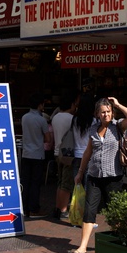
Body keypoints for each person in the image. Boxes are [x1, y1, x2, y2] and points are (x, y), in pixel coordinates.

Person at [68, 96, 127, 253]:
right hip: (94, 176)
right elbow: (87, 152)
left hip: (113, 177)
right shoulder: (93, 129)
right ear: (97, 114)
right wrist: (80, 172)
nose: (106, 115)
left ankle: (121, 243)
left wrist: (119, 104)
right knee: (90, 211)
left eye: (108, 112)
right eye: (103, 112)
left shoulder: (118, 126)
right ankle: (83, 247)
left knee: (114, 212)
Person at [21, 92, 53, 218]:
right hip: (38, 155)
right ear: (40, 105)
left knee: (25, 182)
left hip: (26, 153)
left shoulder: (24, 117)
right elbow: (48, 139)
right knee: (35, 183)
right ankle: (34, 208)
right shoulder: (41, 120)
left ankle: (24, 207)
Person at [51, 89, 79, 220]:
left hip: (57, 153)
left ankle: (57, 207)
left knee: (60, 181)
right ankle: (63, 210)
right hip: (68, 154)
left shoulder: (55, 117)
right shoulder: (72, 119)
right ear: (72, 104)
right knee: (66, 184)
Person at [71, 93, 97, 189]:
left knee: (77, 186)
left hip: (76, 155)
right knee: (88, 187)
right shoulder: (95, 122)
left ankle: (77, 204)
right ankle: (86, 204)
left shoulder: (74, 120)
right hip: (89, 156)